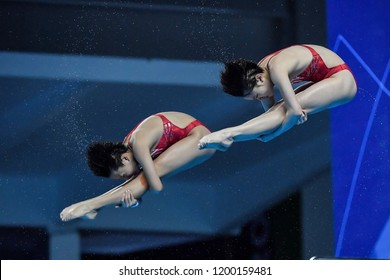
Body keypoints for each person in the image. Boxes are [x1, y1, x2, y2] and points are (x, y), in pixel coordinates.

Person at [60, 111, 215, 222]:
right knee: (145, 175)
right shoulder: (127, 153)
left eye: (122, 175)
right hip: (190, 143)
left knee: (155, 170)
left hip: (201, 138)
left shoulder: (139, 145)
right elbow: (135, 187)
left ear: (125, 159)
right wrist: (134, 202)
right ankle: (93, 206)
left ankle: (92, 205)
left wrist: (134, 193)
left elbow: (156, 188)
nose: (125, 178)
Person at [198, 44, 357, 150]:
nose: (260, 99)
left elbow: (293, 113)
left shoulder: (277, 67)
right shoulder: (262, 70)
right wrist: (271, 130)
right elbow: (272, 116)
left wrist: (274, 135)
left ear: (259, 79)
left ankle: (228, 134)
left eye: (256, 96)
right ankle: (229, 135)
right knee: (280, 110)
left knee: (284, 109)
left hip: (342, 80)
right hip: (325, 78)